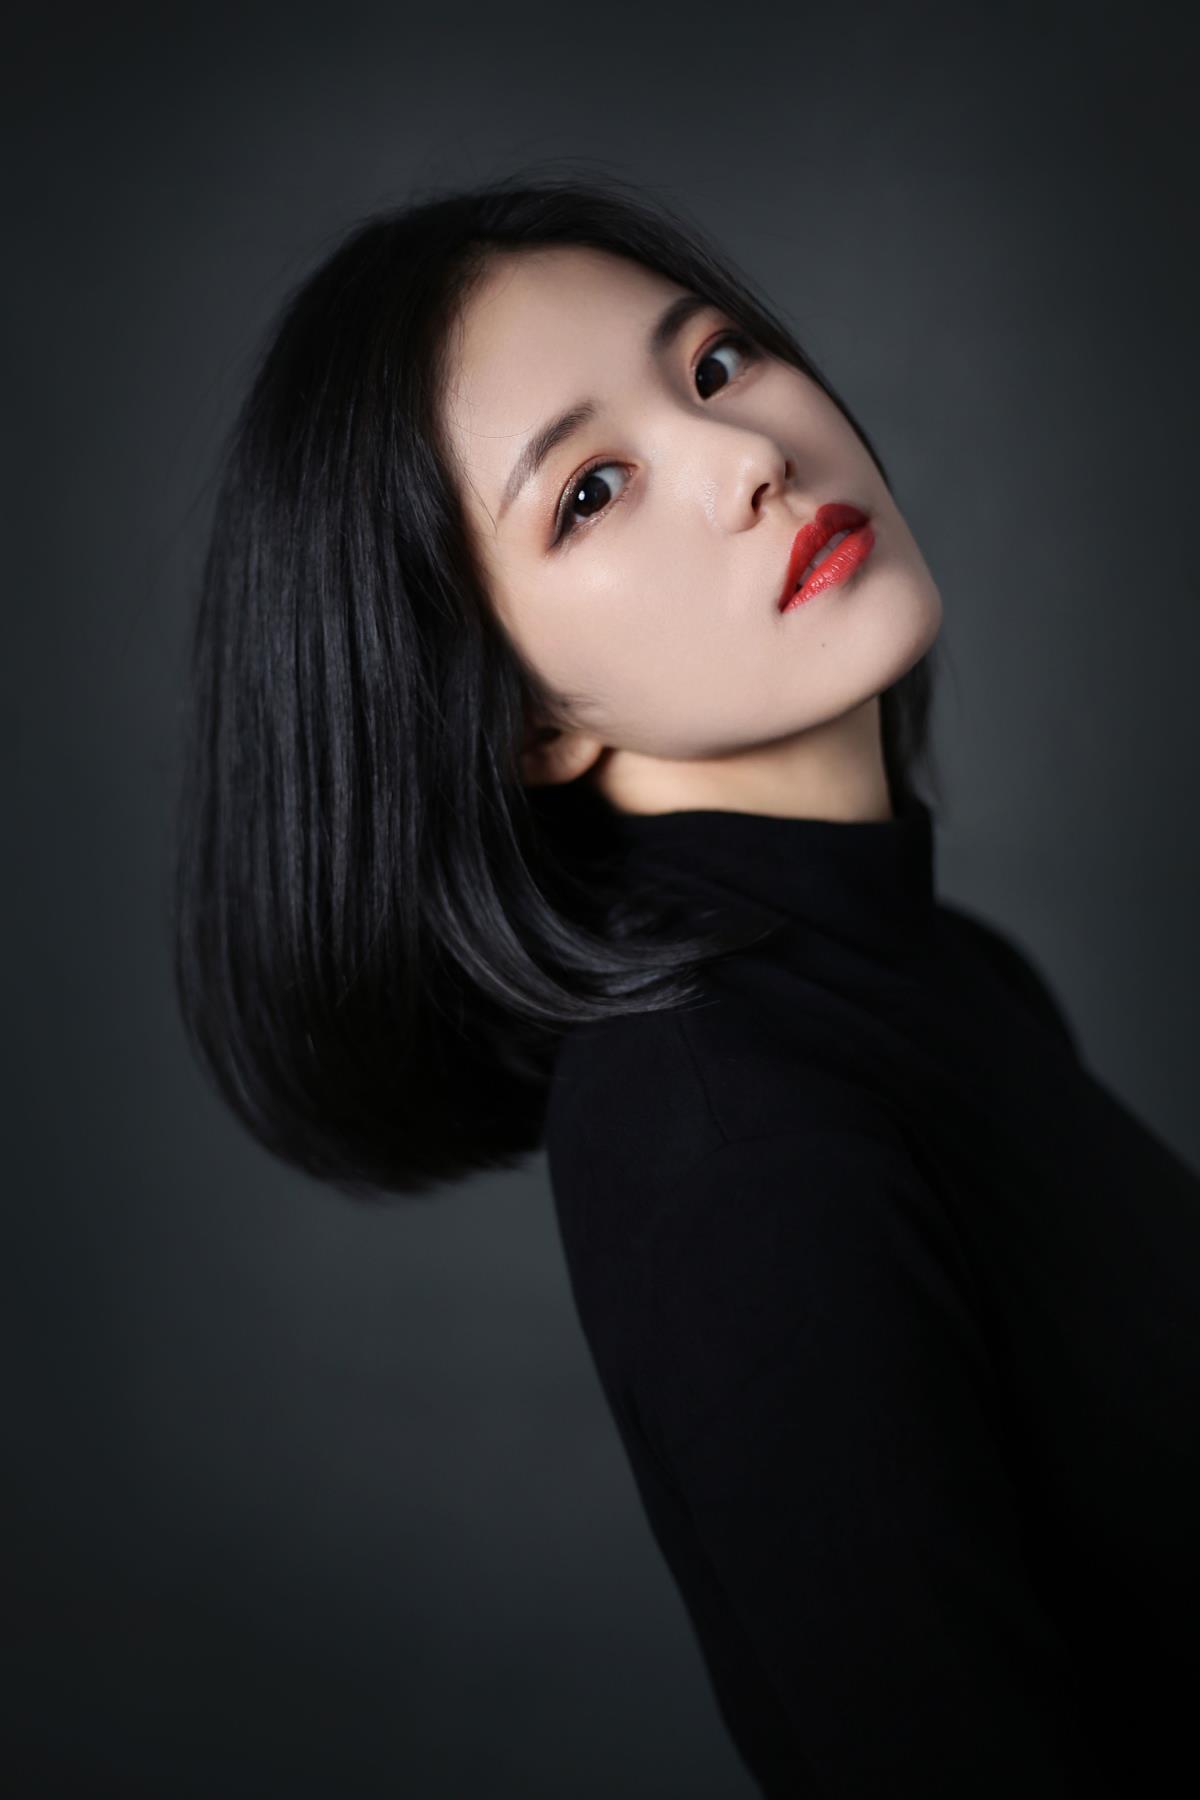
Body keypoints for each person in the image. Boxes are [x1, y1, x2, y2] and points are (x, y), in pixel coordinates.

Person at [172, 169, 1200, 1796]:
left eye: (715, 363)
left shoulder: (944, 975)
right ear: (524, 719)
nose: (747, 458)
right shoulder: (736, 1149)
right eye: (590, 492)